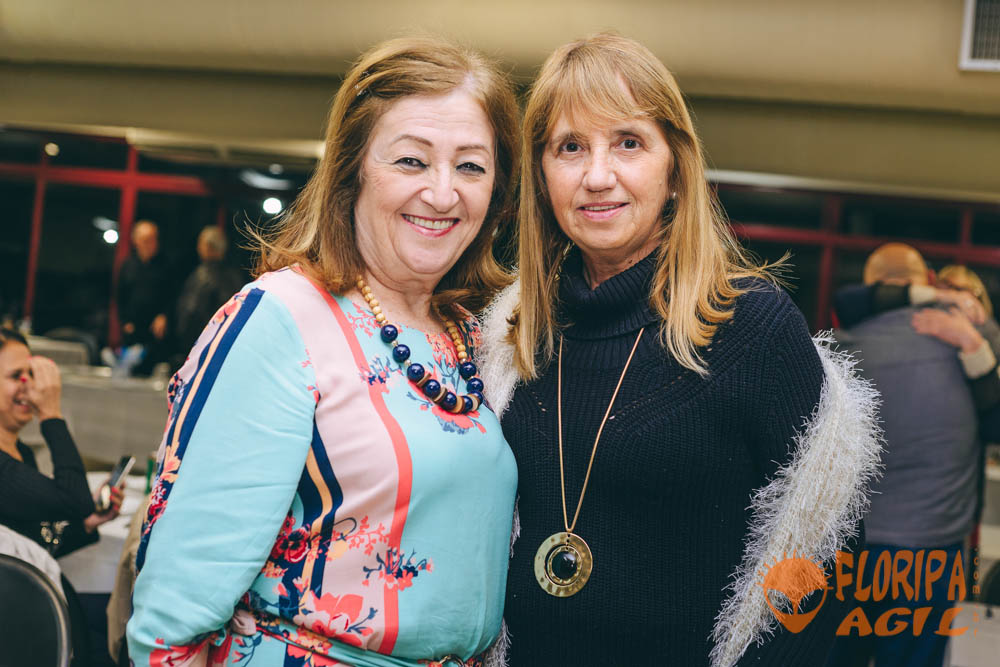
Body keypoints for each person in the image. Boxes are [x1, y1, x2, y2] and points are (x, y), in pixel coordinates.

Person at [477, 33, 881, 666]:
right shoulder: (511, 332)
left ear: (674, 171)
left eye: (628, 143)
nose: (597, 176)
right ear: (542, 176)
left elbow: (825, 554)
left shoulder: (752, 327)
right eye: (570, 147)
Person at [127, 36, 520, 667]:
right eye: (412, 161)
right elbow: (172, 619)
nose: (444, 193)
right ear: (352, 169)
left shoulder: (470, 333)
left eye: (471, 167)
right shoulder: (282, 319)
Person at [826, 245, 1000, 667]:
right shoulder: (971, 333)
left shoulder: (842, 348)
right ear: (925, 280)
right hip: (934, 548)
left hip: (852, 544)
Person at [0, 327, 123, 663]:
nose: (31, 386)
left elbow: (31, 543)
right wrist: (51, 414)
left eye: (31, 374)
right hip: (22, 630)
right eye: (16, 376)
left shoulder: (20, 452)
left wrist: (87, 523)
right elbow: (73, 498)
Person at [174, 226, 245, 363]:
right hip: (223, 345)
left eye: (200, 244)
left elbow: (191, 312)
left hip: (199, 344)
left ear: (208, 247)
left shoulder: (202, 275)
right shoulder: (234, 276)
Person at [115, 219, 175, 376]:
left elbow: (172, 295)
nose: (151, 244)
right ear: (136, 241)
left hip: (155, 330)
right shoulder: (128, 265)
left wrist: (164, 316)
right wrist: (125, 321)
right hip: (133, 328)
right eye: (146, 240)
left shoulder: (165, 265)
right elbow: (120, 296)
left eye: (153, 239)